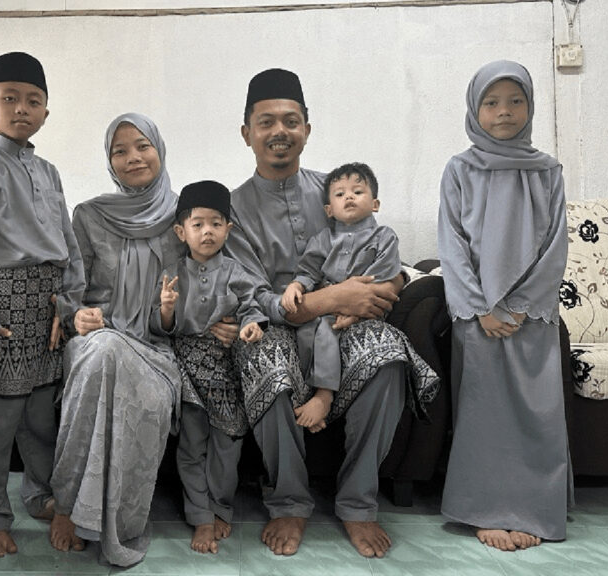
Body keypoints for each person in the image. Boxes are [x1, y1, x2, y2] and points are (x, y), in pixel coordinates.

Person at [226, 68, 436, 559]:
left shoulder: (338, 189)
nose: (279, 131)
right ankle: (289, 501)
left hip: (344, 327)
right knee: (263, 359)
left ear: (307, 129)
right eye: (266, 122)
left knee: (387, 356)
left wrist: (390, 285)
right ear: (247, 133)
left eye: (291, 120)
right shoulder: (232, 209)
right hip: (277, 324)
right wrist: (334, 297)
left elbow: (379, 253)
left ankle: (358, 502)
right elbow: (252, 296)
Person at [0, 51, 85, 558]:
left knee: (42, 417)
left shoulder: (48, 171)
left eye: (33, 100)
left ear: (46, 111)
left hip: (47, 307)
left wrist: (68, 303)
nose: (21, 108)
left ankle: (40, 495)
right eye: (9, 98)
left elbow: (66, 242)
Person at [49, 113, 201, 567]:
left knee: (114, 357)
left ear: (159, 150)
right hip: (96, 339)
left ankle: (110, 518)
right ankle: (66, 506)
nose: (133, 157)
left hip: (156, 347)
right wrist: (76, 315)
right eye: (120, 151)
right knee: (103, 350)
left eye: (142, 146)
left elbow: (201, 291)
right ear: (109, 161)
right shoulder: (89, 216)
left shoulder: (186, 217)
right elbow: (71, 292)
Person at [437, 60, 570, 552]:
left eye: (516, 101)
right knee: (484, 415)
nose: (504, 112)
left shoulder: (548, 171)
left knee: (539, 414)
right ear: (475, 110)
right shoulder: (460, 170)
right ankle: (486, 510)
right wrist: (480, 309)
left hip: (531, 317)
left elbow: (555, 246)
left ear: (530, 107)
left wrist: (521, 306)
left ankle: (534, 509)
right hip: (479, 318)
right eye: (491, 103)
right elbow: (451, 244)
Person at [153, 179, 269, 554]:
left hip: (225, 370)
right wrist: (166, 309)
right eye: (198, 224)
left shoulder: (236, 272)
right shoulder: (170, 273)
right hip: (186, 369)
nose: (207, 232)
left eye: (216, 224)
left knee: (227, 445)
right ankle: (200, 516)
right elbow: (161, 326)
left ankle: (220, 507)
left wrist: (251, 325)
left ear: (228, 229)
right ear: (181, 232)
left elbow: (252, 307)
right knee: (191, 446)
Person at [281, 162, 437, 433]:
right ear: (329, 210)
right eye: (340, 194)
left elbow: (383, 275)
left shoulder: (384, 237)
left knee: (326, 332)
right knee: (306, 332)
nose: (349, 197)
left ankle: (324, 395)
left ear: (375, 204)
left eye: (357, 191)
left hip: (366, 308)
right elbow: (308, 270)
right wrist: (296, 285)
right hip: (328, 305)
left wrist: (353, 311)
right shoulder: (323, 239)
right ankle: (310, 397)